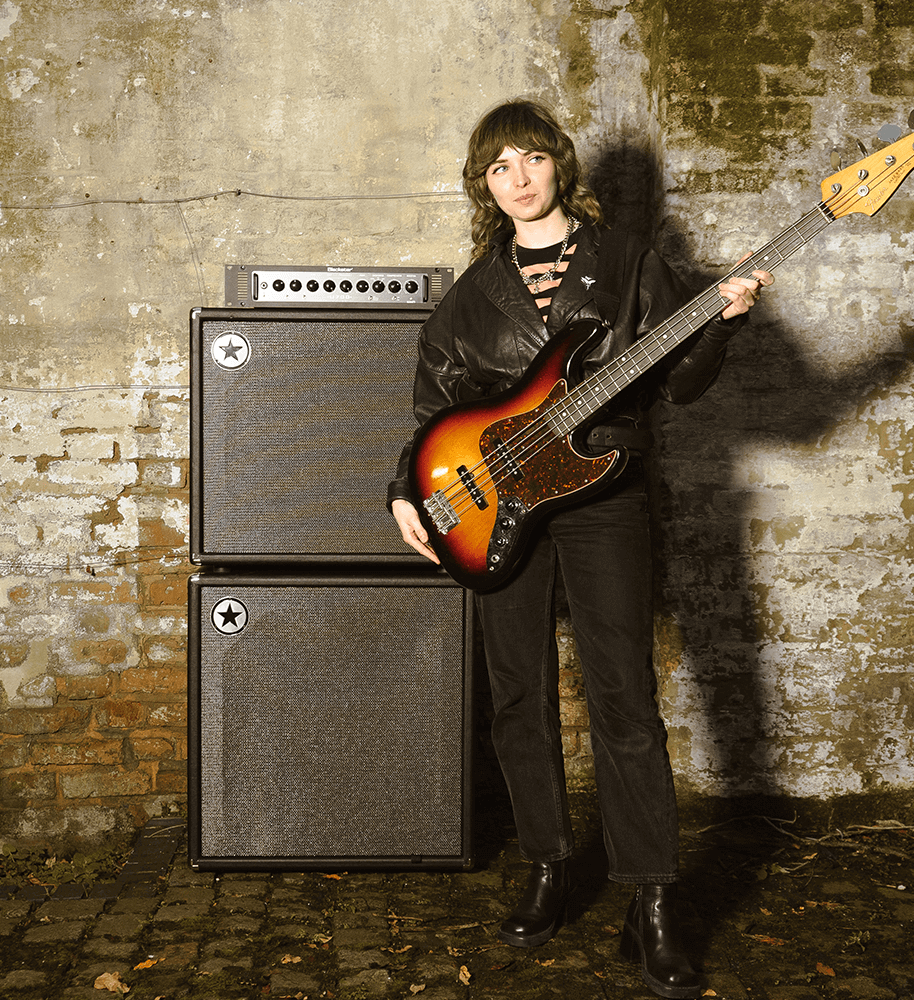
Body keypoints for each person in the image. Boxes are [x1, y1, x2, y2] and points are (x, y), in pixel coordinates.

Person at [387, 98, 772, 1000]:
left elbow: (680, 383)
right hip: (495, 505)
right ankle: (550, 863)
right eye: (499, 168)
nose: (518, 179)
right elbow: (433, 416)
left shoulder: (628, 260)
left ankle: (653, 898)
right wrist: (406, 488)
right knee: (518, 693)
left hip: (605, 497)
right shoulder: (468, 298)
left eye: (531, 158)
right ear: (484, 186)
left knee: (624, 697)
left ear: (559, 163)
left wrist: (721, 321)